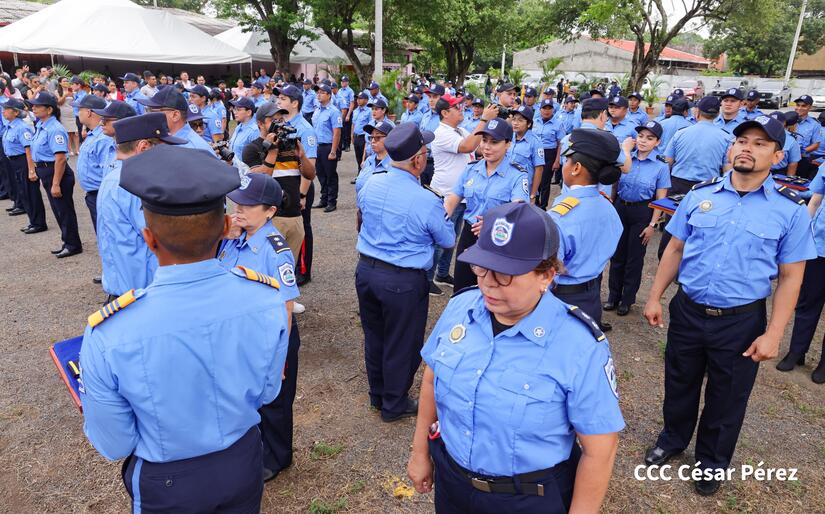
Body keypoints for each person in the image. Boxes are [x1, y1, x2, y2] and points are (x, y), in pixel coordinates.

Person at [80, 145, 290, 513]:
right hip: (242, 460)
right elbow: (268, 392)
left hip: (167, 478)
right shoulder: (265, 300)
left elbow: (113, 443)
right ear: (226, 227)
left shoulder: (111, 333)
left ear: (149, 239)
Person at [407, 201, 624, 514]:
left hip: (526, 499)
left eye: (505, 274)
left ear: (546, 276)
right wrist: (420, 452)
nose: (488, 283)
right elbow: (433, 377)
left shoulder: (578, 346)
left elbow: (600, 449)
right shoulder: (461, 309)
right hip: (452, 484)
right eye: (481, 268)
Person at [642, 115, 815, 496]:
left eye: (759, 143)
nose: (746, 149)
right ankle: (672, 439)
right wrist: (655, 296)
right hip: (688, 310)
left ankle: (710, 463)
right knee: (679, 381)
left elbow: (791, 278)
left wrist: (773, 334)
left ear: (778, 154)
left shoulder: (789, 211)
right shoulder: (699, 195)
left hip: (740, 320)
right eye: (741, 141)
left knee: (728, 395)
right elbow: (674, 248)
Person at [356, 123, 455, 422]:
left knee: (375, 336)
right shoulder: (426, 200)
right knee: (402, 342)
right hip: (402, 280)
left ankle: (378, 394)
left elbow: (363, 217)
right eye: (425, 152)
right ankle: (394, 403)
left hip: (367, 270)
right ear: (418, 160)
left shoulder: (371, 181)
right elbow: (447, 240)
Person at [217, 173, 302, 480]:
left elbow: (286, 305)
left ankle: (277, 458)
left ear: (270, 211)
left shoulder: (274, 249)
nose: (238, 208)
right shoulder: (231, 238)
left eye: (248, 205)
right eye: (236, 201)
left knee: (274, 400)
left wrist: (279, 356)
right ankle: (255, 448)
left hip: (270, 337)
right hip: (240, 335)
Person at [96, 111, 181, 301]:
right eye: (163, 148)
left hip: (127, 288)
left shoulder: (116, 176)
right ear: (144, 147)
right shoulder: (134, 182)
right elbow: (161, 238)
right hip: (142, 292)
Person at [442, 119, 530, 291]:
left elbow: (519, 210)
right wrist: (439, 220)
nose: (487, 147)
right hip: (469, 235)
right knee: (461, 287)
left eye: (494, 142)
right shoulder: (471, 169)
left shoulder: (517, 175)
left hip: (498, 238)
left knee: (492, 290)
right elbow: (453, 199)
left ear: (508, 144)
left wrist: (492, 223)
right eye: (484, 141)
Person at [550, 129, 623, 328]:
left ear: (576, 168)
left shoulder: (559, 216)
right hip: (591, 297)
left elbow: (549, 269)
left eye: (567, 160)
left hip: (561, 300)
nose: (564, 164)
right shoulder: (608, 207)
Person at [428, 96, 499, 295]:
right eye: (455, 107)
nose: (461, 109)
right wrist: (484, 120)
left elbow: (476, 146)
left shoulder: (459, 130)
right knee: (440, 240)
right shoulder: (441, 133)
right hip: (447, 194)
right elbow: (468, 146)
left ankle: (442, 273)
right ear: (444, 113)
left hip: (461, 194)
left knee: (452, 238)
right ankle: (426, 278)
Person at [605, 121, 670, 316]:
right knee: (616, 255)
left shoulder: (660, 167)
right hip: (621, 207)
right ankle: (613, 296)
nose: (643, 141)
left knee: (634, 258)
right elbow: (615, 186)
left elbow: (661, 198)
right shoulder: (626, 158)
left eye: (650, 138)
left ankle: (627, 299)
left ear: (657, 142)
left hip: (642, 212)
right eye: (641, 136)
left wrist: (652, 224)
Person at [657, 96, 732, 258]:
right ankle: (691, 260)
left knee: (673, 224)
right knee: (700, 225)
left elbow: (668, 162)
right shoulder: (726, 137)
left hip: (678, 184)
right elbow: (727, 170)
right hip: (707, 187)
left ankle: (666, 259)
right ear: (717, 114)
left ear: (697, 112)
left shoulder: (681, 134)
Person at [776, 160, 825, 382]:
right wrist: (801, 234)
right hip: (820, 247)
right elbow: (815, 201)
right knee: (807, 303)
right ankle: (797, 352)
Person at [273, 85, 318, 287]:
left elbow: (310, 167)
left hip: (300, 186)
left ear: (295, 103)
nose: (278, 102)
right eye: (278, 98)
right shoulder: (279, 125)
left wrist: (302, 195)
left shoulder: (304, 129)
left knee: (302, 229)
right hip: (283, 184)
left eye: (283, 98)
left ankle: (303, 271)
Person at [28, 91, 82, 258]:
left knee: (64, 209)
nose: (34, 108)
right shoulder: (41, 125)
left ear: (49, 109)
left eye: (38, 106)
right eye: (33, 105)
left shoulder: (55, 129)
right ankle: (67, 241)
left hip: (55, 172)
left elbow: (60, 159)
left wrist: (56, 183)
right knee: (58, 209)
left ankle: (73, 245)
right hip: (46, 170)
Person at [3, 98, 46, 234]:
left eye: (6, 109)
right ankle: (33, 221)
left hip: (23, 161)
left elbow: (28, 149)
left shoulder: (21, 127)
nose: (3, 112)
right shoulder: (11, 126)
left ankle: (38, 223)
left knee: (30, 192)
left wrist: (31, 169)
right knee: (23, 192)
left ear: (15, 112)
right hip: (14, 162)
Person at [137, 87, 217, 158]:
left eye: (153, 111)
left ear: (175, 115)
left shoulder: (196, 150)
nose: (148, 115)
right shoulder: (160, 140)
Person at [75, 94, 112, 233]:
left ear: (89, 112)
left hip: (100, 193)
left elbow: (108, 172)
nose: (78, 113)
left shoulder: (103, 138)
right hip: (93, 194)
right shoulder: (93, 134)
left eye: (80, 110)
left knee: (106, 233)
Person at [311, 84, 342, 213]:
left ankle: (331, 201)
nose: (319, 94)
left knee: (330, 176)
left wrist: (333, 151)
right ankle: (323, 199)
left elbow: (337, 132)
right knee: (321, 175)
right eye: (318, 92)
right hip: (317, 147)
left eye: (322, 92)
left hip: (328, 147)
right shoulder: (317, 110)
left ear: (329, 95)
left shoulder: (334, 111)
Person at [509, 105, 545, 202]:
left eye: (520, 120)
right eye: (514, 119)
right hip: (507, 186)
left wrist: (533, 194)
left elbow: (539, 169)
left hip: (523, 190)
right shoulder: (509, 138)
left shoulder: (535, 142)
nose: (515, 123)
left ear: (528, 124)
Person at [354, 120, 394, 198]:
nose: (372, 141)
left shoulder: (394, 165)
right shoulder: (369, 161)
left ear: (389, 139)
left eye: (377, 137)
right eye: (371, 137)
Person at [792, 95, 821, 179]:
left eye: (803, 106)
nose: (799, 108)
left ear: (810, 107)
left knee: (797, 184)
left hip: (802, 159)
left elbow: (816, 145)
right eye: (798, 105)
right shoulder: (788, 119)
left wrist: (799, 153)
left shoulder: (814, 124)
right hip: (784, 157)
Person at [769, 111, 801, 176]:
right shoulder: (761, 136)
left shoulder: (791, 141)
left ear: (784, 123)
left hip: (779, 174)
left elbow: (793, 163)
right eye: (772, 123)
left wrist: (788, 180)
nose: (774, 126)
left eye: (777, 123)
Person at [55, 77, 80, 155]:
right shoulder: (57, 91)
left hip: (73, 112)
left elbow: (77, 101)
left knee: (76, 132)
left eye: (67, 81)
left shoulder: (72, 90)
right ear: (60, 83)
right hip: (63, 113)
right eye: (64, 81)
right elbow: (59, 102)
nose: (66, 82)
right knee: (68, 132)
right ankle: (70, 150)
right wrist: (65, 95)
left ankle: (77, 150)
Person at [351, 92, 371, 176]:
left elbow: (371, 125)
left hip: (364, 137)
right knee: (358, 157)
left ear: (366, 100)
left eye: (360, 98)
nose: (358, 100)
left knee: (365, 157)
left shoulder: (369, 111)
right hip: (356, 137)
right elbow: (353, 124)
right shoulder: (355, 111)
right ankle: (359, 174)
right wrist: (351, 135)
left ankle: (364, 175)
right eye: (357, 98)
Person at [339, 75, 355, 152]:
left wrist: (348, 115)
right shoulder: (339, 91)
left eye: (344, 81)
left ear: (347, 82)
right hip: (340, 111)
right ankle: (342, 144)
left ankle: (347, 145)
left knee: (347, 129)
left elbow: (352, 103)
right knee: (341, 129)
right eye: (342, 81)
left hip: (348, 111)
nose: (343, 83)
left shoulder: (350, 91)